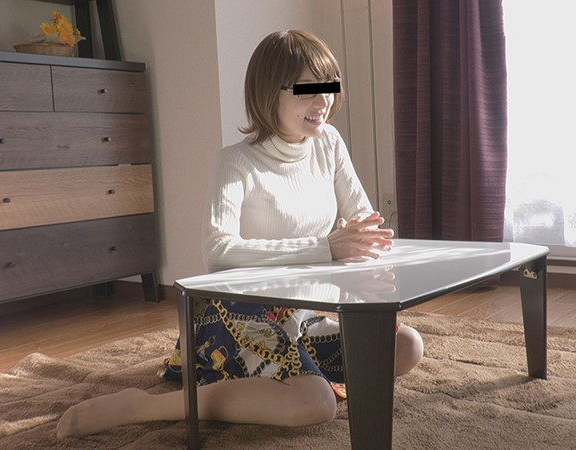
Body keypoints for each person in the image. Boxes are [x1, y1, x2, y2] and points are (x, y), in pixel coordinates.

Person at [56, 30, 423, 438]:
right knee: (316, 404)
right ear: (269, 92)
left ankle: (277, 382)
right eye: (307, 90)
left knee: (406, 345)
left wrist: (359, 250)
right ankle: (145, 405)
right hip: (235, 312)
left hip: (299, 315)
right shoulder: (236, 161)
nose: (323, 102)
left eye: (330, 87)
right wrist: (325, 247)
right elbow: (218, 251)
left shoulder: (329, 144)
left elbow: (364, 225)